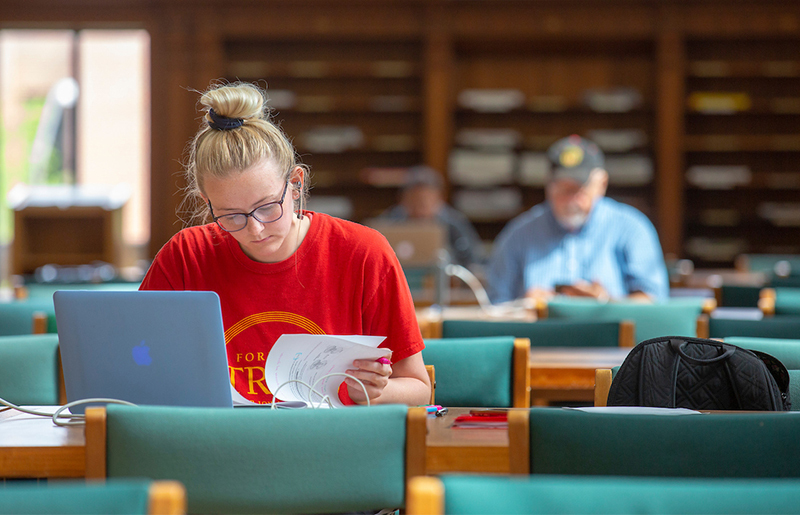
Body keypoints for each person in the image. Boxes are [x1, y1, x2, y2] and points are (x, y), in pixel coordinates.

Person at [139, 82, 430, 406]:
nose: (256, 228)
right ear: (208, 204)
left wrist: (372, 393)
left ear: (295, 185)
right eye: (231, 216)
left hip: (329, 447)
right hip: (220, 446)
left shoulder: (363, 253)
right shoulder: (186, 256)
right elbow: (136, 366)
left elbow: (419, 388)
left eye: (267, 207)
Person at [487, 135, 669, 304]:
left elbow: (654, 300)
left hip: (610, 337)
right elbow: (496, 305)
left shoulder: (631, 227)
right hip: (539, 337)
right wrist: (527, 306)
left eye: (579, 189)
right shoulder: (519, 234)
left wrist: (605, 305)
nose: (570, 200)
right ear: (547, 185)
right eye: (562, 189)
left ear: (601, 184)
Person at [381, 165, 484, 268]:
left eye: (424, 202)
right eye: (413, 201)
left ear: (439, 199)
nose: (419, 211)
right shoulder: (389, 222)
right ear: (403, 199)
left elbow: (472, 259)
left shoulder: (454, 222)